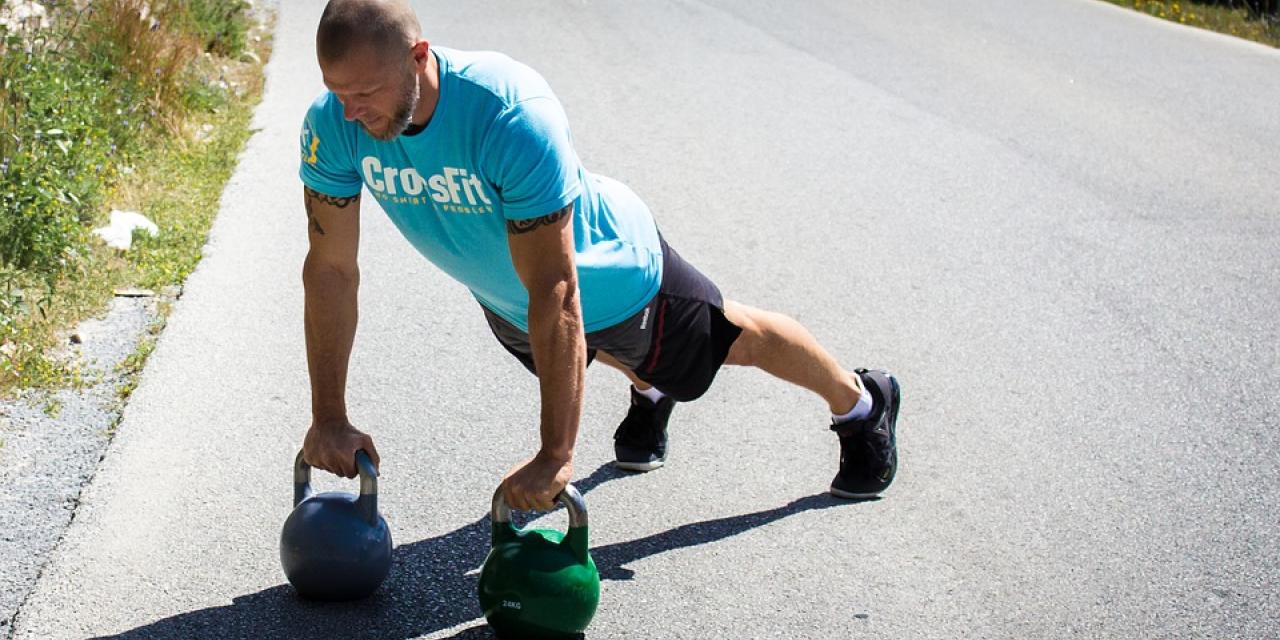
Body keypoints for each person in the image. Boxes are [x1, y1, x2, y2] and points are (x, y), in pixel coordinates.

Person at [299, 0, 901, 512]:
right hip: (509, 297)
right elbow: (330, 270)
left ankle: (862, 403)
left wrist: (556, 457)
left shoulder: (508, 114)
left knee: (738, 338)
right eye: (337, 91)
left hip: (613, 275)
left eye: (366, 91)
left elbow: (559, 291)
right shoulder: (335, 126)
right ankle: (650, 385)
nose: (351, 111)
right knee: (618, 355)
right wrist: (329, 415)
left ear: (418, 55)